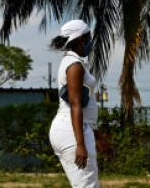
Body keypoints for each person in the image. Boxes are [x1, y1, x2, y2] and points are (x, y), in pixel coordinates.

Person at [48, 19, 99, 188]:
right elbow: (75, 104)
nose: (90, 43)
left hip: (71, 129)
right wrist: (80, 144)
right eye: (88, 39)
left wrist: (96, 135)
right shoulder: (74, 66)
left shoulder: (71, 62)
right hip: (72, 131)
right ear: (78, 40)